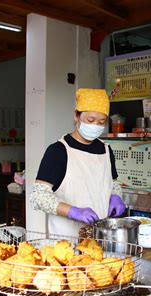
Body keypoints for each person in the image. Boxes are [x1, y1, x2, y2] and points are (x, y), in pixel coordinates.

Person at [30, 88, 126, 237]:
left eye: (101, 122)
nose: (95, 126)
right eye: (90, 120)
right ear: (76, 115)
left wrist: (116, 196)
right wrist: (72, 211)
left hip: (101, 238)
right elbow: (39, 196)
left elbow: (113, 183)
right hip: (66, 241)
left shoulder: (106, 150)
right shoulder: (58, 151)